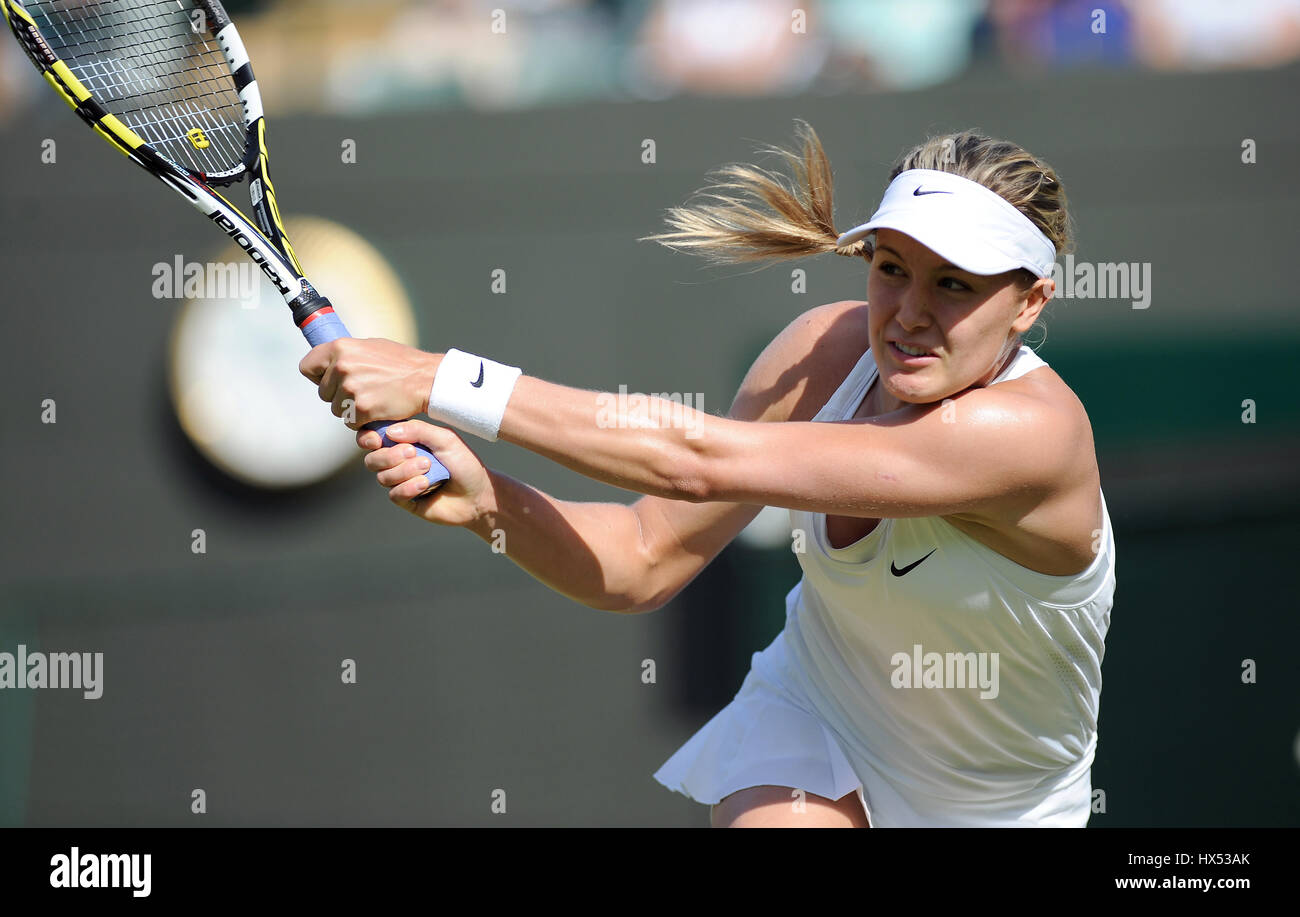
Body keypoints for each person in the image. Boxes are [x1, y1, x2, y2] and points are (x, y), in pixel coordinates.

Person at [299, 123, 1116, 828]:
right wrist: (491, 505)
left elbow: (698, 459)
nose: (908, 312)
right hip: (819, 719)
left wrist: (439, 377)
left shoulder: (1027, 435)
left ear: (1030, 303)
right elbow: (642, 556)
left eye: (954, 285)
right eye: (892, 268)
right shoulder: (826, 352)